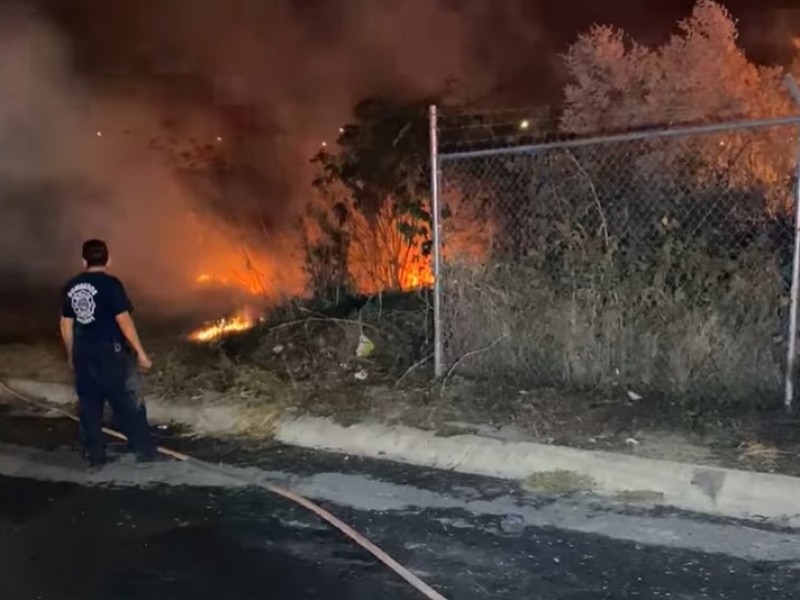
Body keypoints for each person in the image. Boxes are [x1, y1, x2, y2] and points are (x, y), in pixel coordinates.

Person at [59, 239, 157, 467]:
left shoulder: (71, 286)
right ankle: (143, 450)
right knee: (126, 400)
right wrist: (141, 353)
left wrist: (71, 353)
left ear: (83, 260)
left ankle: (94, 455)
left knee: (89, 404)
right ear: (108, 260)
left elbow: (65, 324)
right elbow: (123, 320)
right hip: (110, 352)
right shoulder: (112, 285)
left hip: (84, 352)